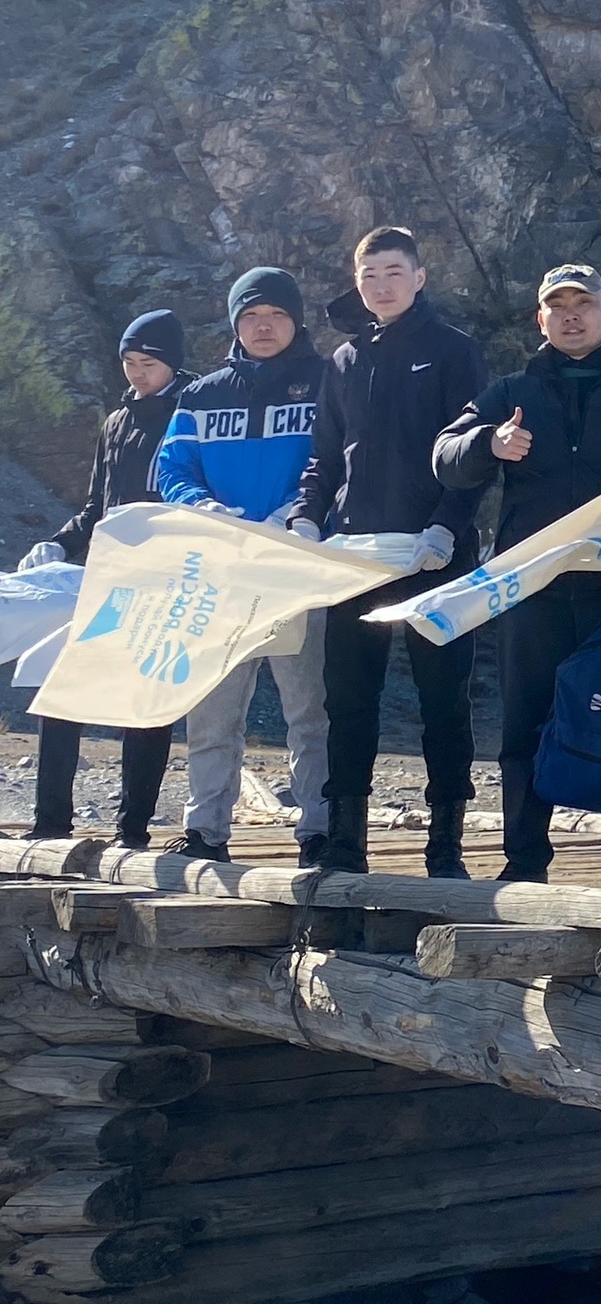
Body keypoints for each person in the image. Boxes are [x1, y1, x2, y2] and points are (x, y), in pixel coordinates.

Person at [432, 264, 601, 888]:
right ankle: (525, 865)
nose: (571, 315)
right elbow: (445, 458)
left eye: (583, 304)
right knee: (524, 726)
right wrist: (489, 443)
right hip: (531, 589)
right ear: (540, 320)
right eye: (557, 306)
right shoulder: (513, 389)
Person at [294, 228, 488, 877]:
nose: (381, 284)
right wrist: (306, 517)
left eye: (394, 271)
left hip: (437, 558)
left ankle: (446, 848)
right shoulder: (344, 362)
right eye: (369, 273)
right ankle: (346, 843)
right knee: (348, 701)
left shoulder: (454, 352)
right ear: (358, 281)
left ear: (420, 275)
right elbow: (325, 457)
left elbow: (472, 456)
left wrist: (445, 528)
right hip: (356, 559)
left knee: (444, 703)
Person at [151, 270, 332, 865]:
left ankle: (318, 829)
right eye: (251, 316)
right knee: (213, 710)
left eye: (276, 315)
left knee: (309, 709)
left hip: (298, 568)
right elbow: (169, 471)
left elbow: (341, 460)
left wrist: (293, 513)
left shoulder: (327, 381)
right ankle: (205, 830)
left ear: (296, 321)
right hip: (222, 575)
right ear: (234, 324)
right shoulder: (201, 395)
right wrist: (203, 507)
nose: (263, 325)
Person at [18, 311, 188, 849]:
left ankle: (132, 830)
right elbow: (96, 506)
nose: (138, 373)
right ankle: (50, 824)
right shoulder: (117, 421)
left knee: (145, 700)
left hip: (162, 580)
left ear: (173, 364)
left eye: (149, 363)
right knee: (63, 689)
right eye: (130, 362)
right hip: (104, 573)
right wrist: (60, 542)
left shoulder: (191, 413)